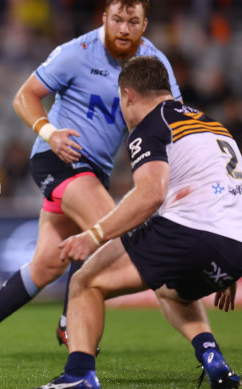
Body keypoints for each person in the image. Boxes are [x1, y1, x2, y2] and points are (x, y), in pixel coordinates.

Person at [0, 0, 182, 365]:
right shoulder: (77, 53)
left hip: (94, 171)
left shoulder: (154, 65)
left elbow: (173, 120)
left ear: (145, 24)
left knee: (47, 264)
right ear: (103, 18)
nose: (123, 28)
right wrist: (50, 132)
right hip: (57, 160)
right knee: (116, 233)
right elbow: (24, 96)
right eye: (117, 19)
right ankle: (72, 322)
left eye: (132, 21)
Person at [37, 55, 242, 389]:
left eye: (121, 100)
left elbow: (150, 194)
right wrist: (229, 261)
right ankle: (212, 358)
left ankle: (79, 376)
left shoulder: (150, 125)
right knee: (171, 290)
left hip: (190, 232)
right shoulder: (213, 124)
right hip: (235, 241)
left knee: (85, 282)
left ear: (128, 95)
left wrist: (94, 235)